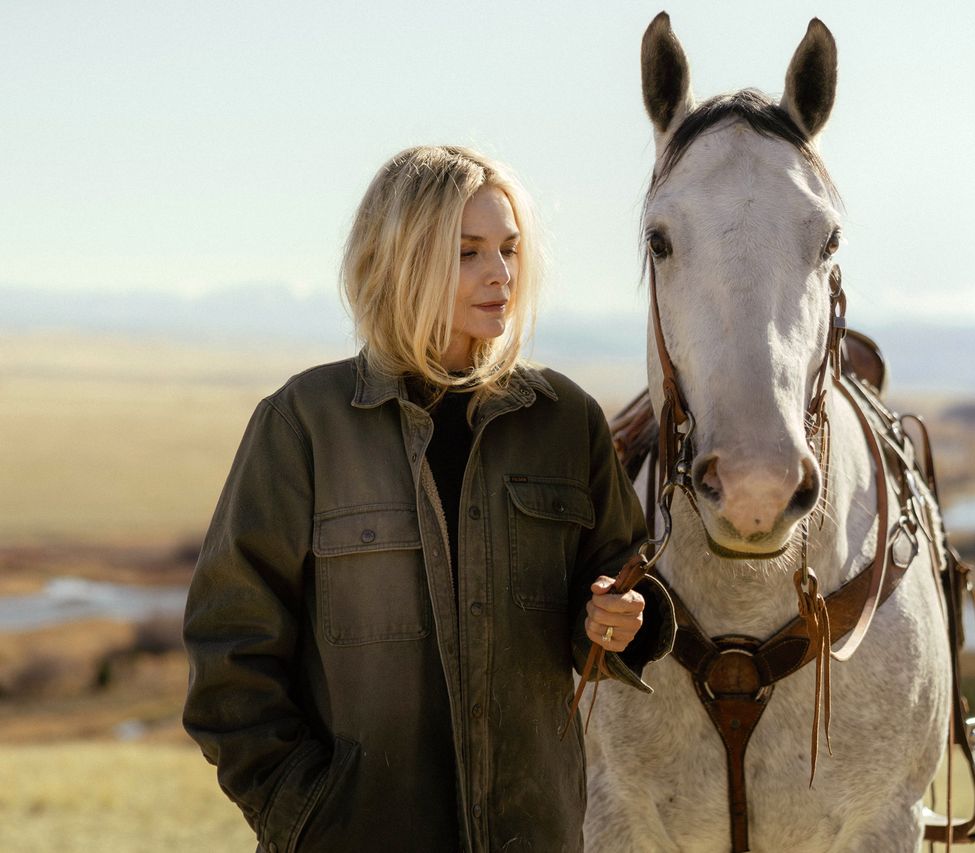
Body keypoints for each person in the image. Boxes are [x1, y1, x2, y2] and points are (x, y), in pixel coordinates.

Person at [182, 145, 675, 853]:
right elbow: (230, 644)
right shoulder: (304, 422)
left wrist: (622, 616)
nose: (500, 274)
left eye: (508, 249)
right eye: (469, 251)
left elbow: (621, 575)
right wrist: (303, 813)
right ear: (402, 258)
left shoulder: (566, 421)